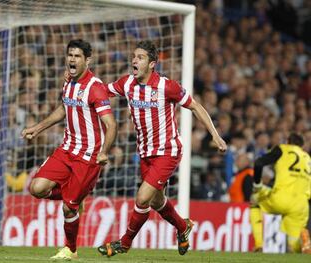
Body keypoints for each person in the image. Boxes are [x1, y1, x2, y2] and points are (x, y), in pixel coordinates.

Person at [96, 40, 227, 257]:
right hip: (145, 153)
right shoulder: (127, 83)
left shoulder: (166, 86)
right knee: (157, 201)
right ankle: (183, 227)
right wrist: (79, 82)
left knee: (142, 198)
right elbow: (101, 90)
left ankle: (125, 243)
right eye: (133, 56)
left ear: (152, 64)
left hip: (168, 151)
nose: (134, 60)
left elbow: (195, 105)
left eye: (140, 57)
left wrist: (215, 135)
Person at [22, 39, 117, 260]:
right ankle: (74, 195)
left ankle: (70, 249)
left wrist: (104, 152)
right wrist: (37, 128)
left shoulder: (95, 88)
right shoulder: (68, 82)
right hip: (67, 149)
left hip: (88, 156)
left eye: (77, 56)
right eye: (70, 55)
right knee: (36, 188)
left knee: (68, 209)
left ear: (87, 60)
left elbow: (111, 125)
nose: (72, 59)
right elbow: (63, 109)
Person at [250, 133, 311, 253]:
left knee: (255, 202)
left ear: (287, 141)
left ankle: (258, 245)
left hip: (281, 198)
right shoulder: (308, 159)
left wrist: (257, 185)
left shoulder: (283, 149)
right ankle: (304, 240)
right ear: (302, 146)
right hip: (301, 205)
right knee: (293, 245)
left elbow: (258, 163)